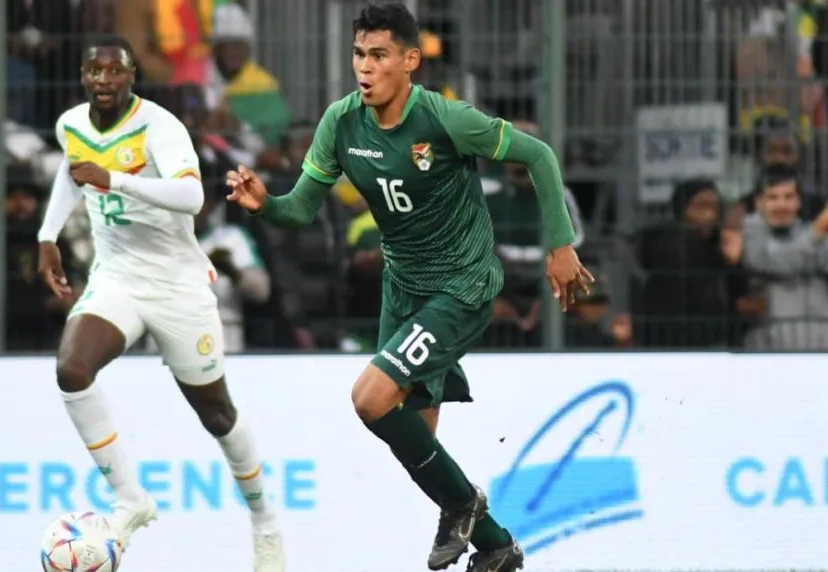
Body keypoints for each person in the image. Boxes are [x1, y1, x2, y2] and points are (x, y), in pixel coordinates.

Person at [226, 5, 592, 572]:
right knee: (414, 440)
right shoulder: (341, 124)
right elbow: (299, 208)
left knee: (369, 399)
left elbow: (539, 155)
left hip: (461, 285)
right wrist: (265, 205)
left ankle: (467, 507)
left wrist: (561, 244)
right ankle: (496, 546)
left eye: (378, 56)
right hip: (404, 290)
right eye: (358, 55)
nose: (364, 69)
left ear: (410, 61)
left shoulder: (446, 120)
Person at [35, 35, 285, 571]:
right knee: (72, 369)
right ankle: (131, 501)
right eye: (93, 71)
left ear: (131, 77)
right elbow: (70, 169)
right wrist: (48, 234)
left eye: (114, 71)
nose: (103, 80)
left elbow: (192, 197)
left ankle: (265, 522)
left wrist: (116, 180)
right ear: (83, 76)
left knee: (216, 413)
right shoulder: (71, 124)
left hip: (177, 285)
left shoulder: (160, 127)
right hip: (117, 277)